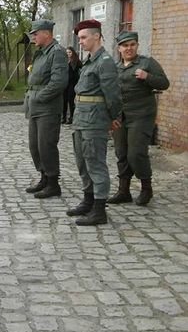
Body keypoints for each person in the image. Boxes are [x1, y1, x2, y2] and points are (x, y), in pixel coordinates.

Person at [66, 19, 122, 226]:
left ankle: (99, 210)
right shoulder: (89, 61)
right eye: (79, 38)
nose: (80, 42)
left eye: (83, 37)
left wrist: (114, 118)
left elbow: (113, 95)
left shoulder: (104, 62)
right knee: (82, 163)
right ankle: (88, 201)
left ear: (96, 36)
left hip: (95, 121)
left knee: (95, 163)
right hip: (81, 119)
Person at [107, 31, 170, 206]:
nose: (129, 48)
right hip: (120, 116)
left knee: (136, 154)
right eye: (125, 45)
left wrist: (147, 76)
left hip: (141, 115)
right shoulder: (115, 67)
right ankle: (124, 191)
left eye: (132, 44)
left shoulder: (147, 63)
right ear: (119, 48)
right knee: (121, 153)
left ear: (137, 45)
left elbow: (164, 83)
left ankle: (146, 189)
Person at [24, 19, 68, 199]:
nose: (33, 37)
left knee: (46, 145)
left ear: (47, 33)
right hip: (35, 106)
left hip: (48, 107)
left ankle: (53, 183)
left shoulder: (57, 53)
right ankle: (43, 177)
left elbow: (59, 82)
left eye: (35, 34)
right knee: (35, 145)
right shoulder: (41, 53)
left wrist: (40, 97)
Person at [62, 46, 82, 124]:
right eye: (67, 52)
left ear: (73, 53)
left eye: (70, 52)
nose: (68, 54)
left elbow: (82, 69)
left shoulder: (76, 61)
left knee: (71, 100)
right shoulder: (64, 61)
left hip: (73, 83)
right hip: (65, 82)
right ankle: (63, 117)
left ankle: (71, 117)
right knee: (64, 100)